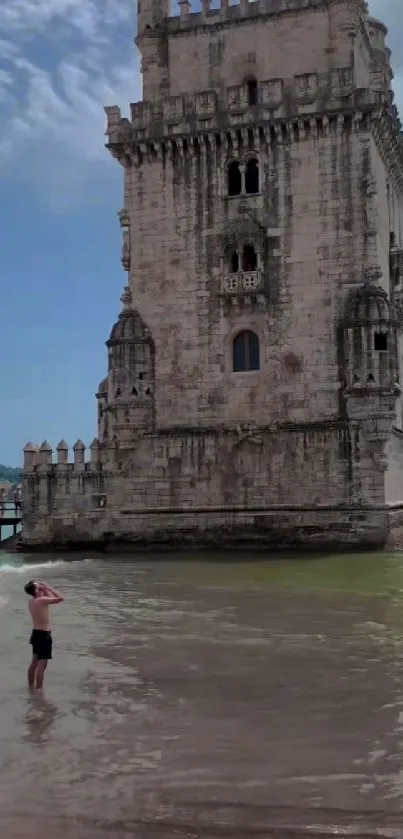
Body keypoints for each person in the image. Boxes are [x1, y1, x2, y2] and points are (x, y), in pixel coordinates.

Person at [24, 580, 64, 690]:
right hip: (44, 635)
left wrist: (43, 589)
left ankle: (31, 687)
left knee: (34, 662)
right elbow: (60, 598)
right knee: (42, 665)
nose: (42, 588)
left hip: (36, 633)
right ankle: (39, 690)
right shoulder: (42, 600)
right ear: (36, 591)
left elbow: (48, 598)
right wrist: (49, 587)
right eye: (39, 588)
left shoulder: (32, 602)